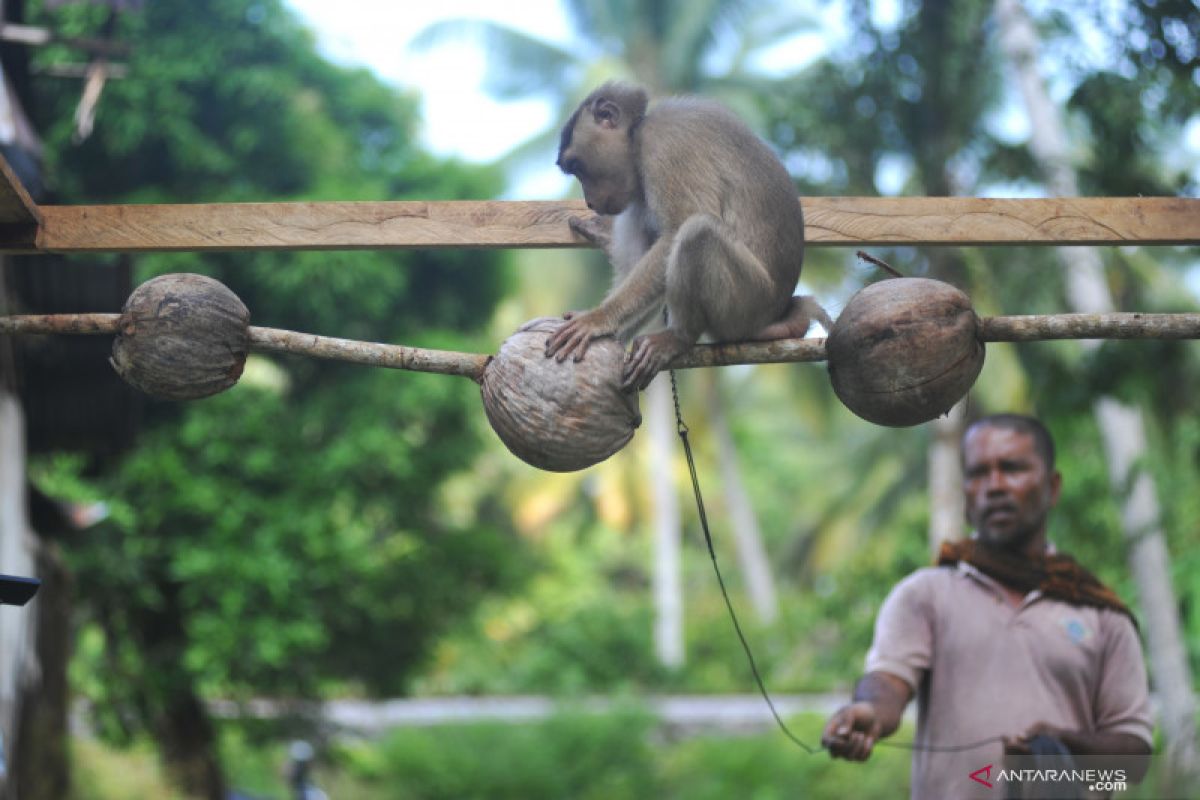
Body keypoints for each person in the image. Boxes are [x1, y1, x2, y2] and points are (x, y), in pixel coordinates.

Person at [821, 414, 1153, 798]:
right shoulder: (924, 595)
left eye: (1012, 468)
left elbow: (1132, 767)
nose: (994, 486)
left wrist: (1061, 753)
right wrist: (869, 713)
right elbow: (889, 683)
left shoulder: (1101, 613)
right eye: (979, 473)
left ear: (1053, 487)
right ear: (965, 494)